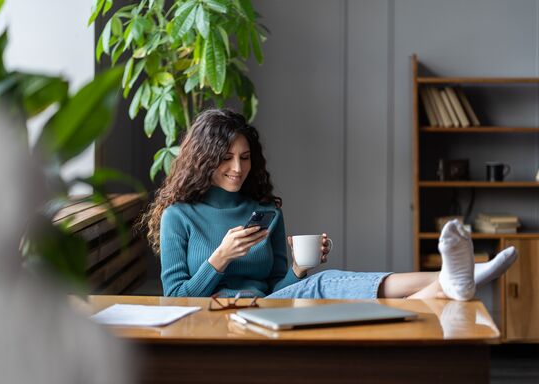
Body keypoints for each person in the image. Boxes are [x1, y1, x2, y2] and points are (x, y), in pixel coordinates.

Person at [142, 108, 517, 301]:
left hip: (265, 309)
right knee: (326, 286)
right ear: (204, 158)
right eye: (226, 157)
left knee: (321, 284)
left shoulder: (268, 213)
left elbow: (279, 288)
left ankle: (448, 281)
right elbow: (175, 298)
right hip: (211, 318)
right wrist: (219, 258)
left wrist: (299, 268)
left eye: (245, 157)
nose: (238, 168)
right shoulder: (180, 216)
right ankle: (447, 280)